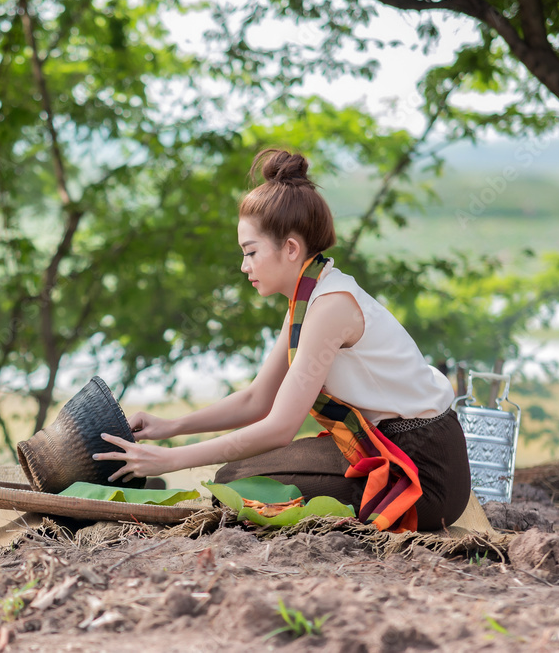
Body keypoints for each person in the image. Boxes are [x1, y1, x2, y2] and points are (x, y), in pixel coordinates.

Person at [94, 148, 471, 531]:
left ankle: (383, 508)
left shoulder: (330, 307)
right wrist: (168, 427)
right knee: (237, 477)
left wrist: (171, 460)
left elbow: (279, 427)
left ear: (290, 248)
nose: (244, 266)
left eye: (251, 252)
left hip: (423, 469)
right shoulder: (309, 297)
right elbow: (257, 399)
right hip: (383, 443)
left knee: (233, 485)